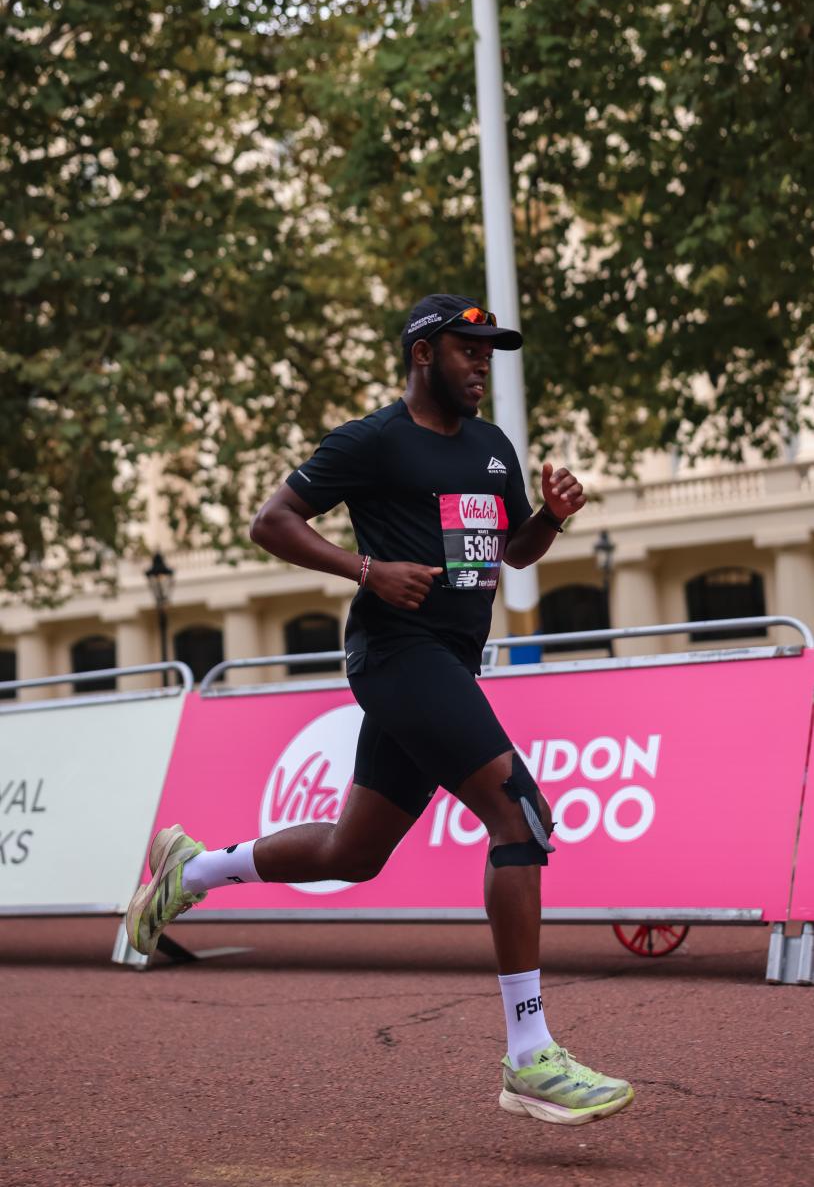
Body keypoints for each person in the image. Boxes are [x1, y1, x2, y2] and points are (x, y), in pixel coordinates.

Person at [126, 294, 633, 1127]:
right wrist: (367, 570)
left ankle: (193, 869)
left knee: (353, 850)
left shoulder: (492, 447)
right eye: (469, 349)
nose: (482, 364)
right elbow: (270, 521)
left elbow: (512, 551)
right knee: (521, 817)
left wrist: (550, 515)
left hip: (449, 663)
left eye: (489, 352)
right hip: (397, 656)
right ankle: (530, 1052)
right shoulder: (373, 440)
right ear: (424, 352)